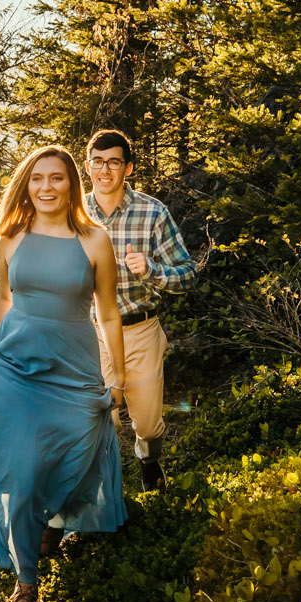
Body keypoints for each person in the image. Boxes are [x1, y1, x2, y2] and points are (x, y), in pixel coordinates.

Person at [0, 145, 129, 602]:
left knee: (72, 455)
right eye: (37, 178)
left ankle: (49, 521)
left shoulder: (94, 240)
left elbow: (107, 311)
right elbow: (4, 298)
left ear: (72, 185)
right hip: (15, 368)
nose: (46, 187)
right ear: (26, 185)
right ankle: (26, 587)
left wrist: (118, 375)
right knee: (21, 472)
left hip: (74, 369)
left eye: (57, 178)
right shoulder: (10, 239)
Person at [83, 128, 198, 491]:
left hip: (141, 329)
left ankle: (149, 462)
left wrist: (152, 270)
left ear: (128, 168)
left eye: (114, 162)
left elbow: (188, 274)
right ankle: (103, 488)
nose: (105, 170)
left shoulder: (153, 213)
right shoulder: (73, 213)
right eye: (98, 162)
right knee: (102, 417)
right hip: (91, 335)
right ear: (88, 168)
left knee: (147, 422)